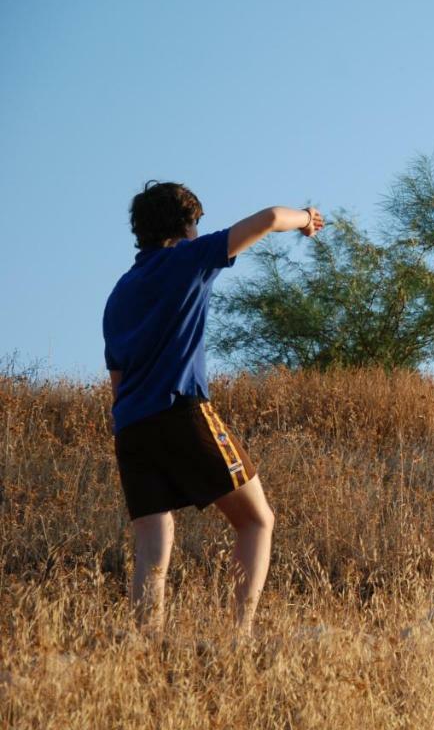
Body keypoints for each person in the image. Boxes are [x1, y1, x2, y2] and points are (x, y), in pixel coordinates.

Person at [103, 181, 324, 637]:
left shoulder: (119, 294)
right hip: (181, 408)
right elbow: (266, 220)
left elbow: (118, 381)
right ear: (186, 226)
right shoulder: (190, 258)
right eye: (195, 223)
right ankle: (239, 635)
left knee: (152, 542)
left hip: (131, 427)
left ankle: (147, 640)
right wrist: (306, 218)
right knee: (256, 519)